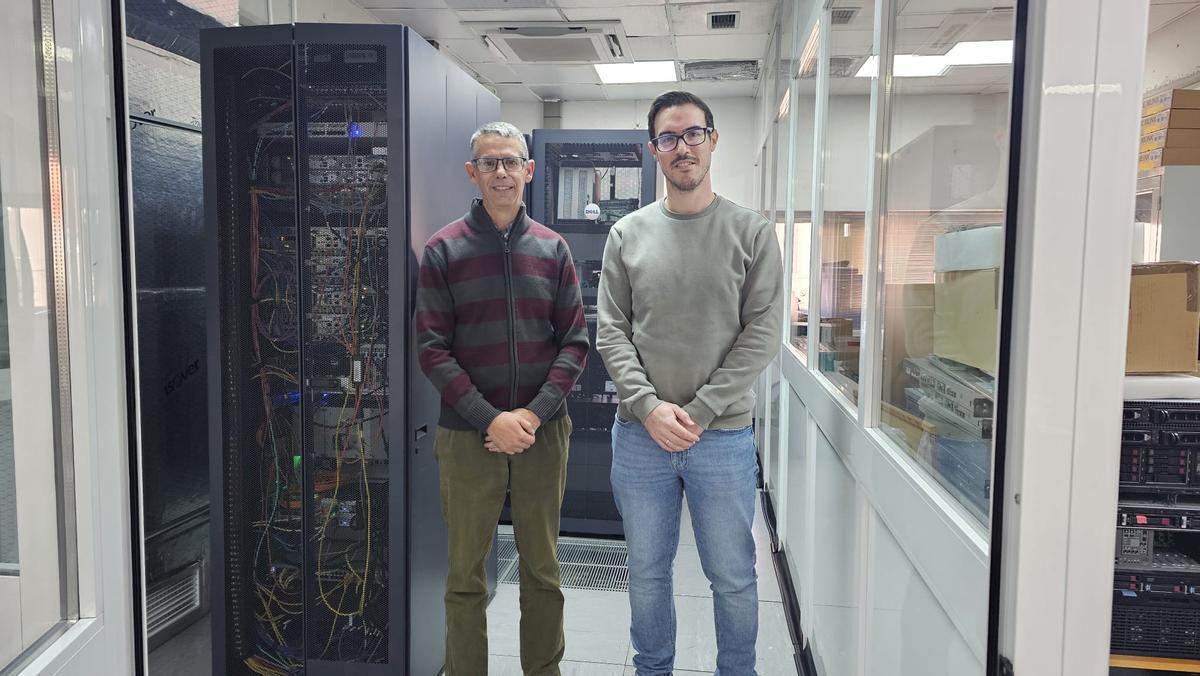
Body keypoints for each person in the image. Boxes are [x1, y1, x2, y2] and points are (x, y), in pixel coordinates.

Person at [596, 91, 784, 676]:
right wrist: (648, 408)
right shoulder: (627, 234)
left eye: (693, 134)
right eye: (670, 138)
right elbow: (611, 333)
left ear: (714, 139)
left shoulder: (751, 232)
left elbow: (762, 334)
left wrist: (699, 412)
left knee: (731, 576)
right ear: (655, 150)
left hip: (722, 439)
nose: (683, 148)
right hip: (639, 439)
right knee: (647, 574)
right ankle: (652, 669)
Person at [416, 121, 589, 676]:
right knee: (465, 574)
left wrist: (530, 417)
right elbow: (432, 350)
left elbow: (575, 343)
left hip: (542, 434)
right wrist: (490, 419)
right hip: (468, 435)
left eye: (511, 161)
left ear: (529, 171)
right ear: (473, 172)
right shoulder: (443, 250)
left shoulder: (553, 248)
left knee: (542, 570)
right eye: (489, 162)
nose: (501, 172)